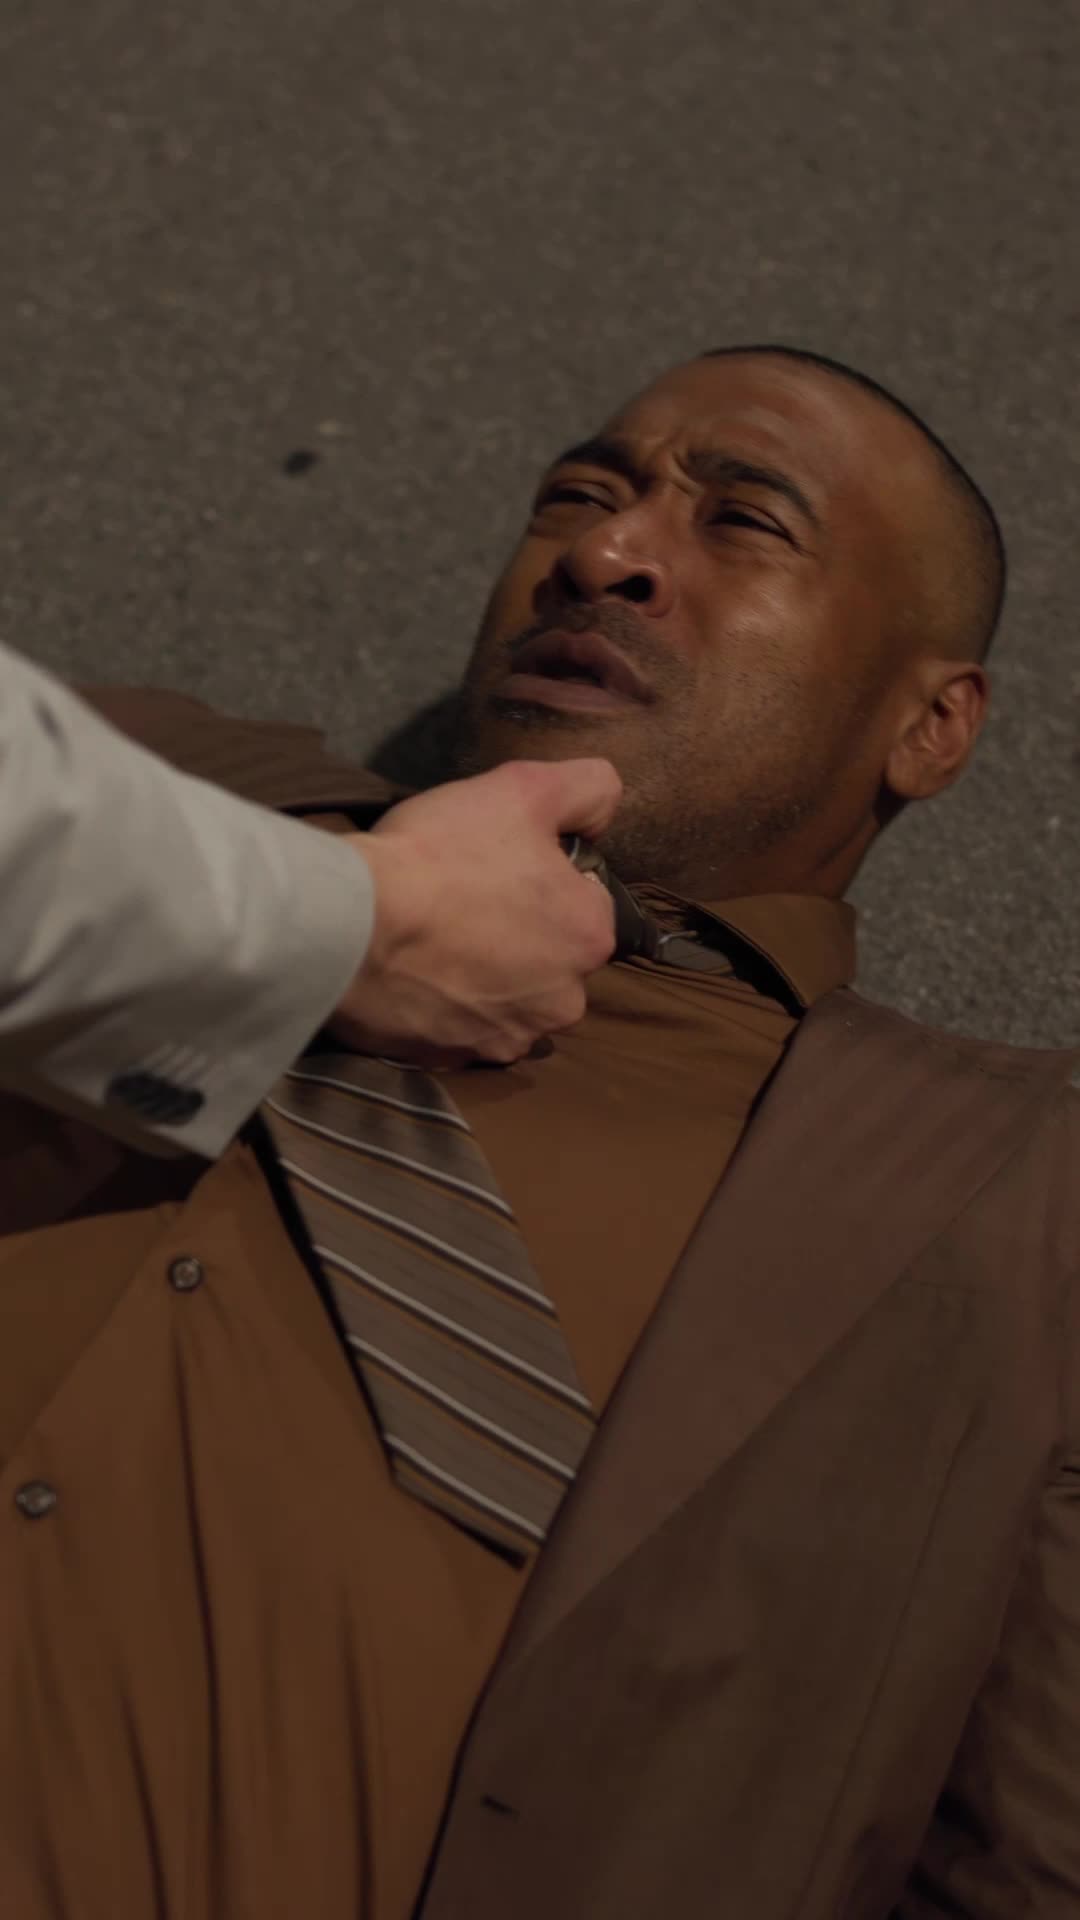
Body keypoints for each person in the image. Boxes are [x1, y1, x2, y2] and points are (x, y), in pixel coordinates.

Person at [1, 344, 1074, 1920]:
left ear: (934, 726)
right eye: (576, 495)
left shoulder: (1014, 1187)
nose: (604, 551)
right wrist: (321, 916)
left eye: (745, 520)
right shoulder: (160, 789)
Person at [0, 641, 617, 1156]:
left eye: (717, 521)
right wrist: (376, 924)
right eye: (559, 529)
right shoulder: (149, 742)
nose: (603, 552)